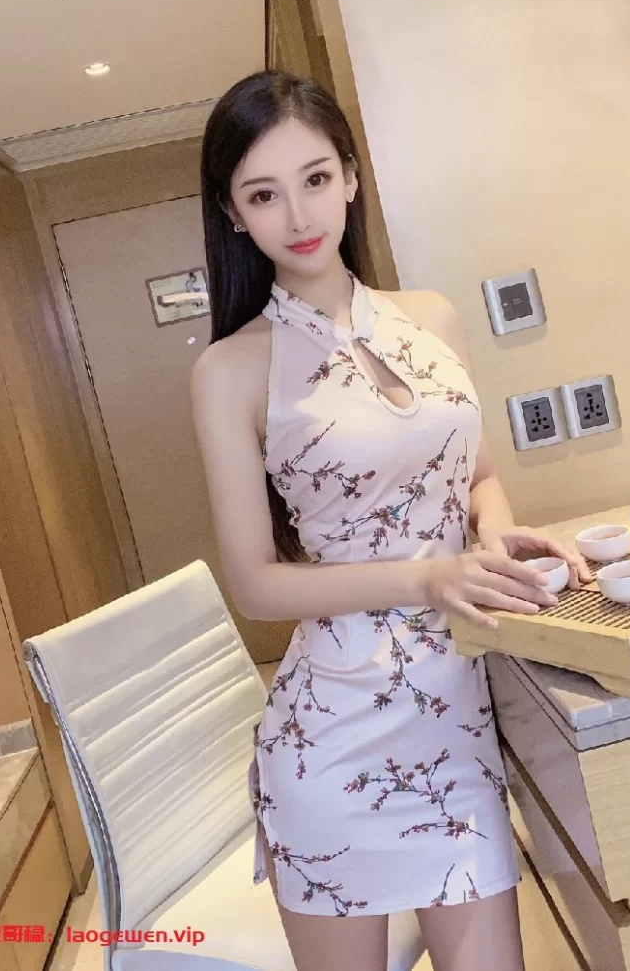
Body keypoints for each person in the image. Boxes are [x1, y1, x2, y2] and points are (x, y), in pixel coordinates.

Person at [190, 70, 591, 971]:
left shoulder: (431, 319)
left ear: (350, 175)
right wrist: (426, 576)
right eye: (264, 193)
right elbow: (254, 583)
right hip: (333, 738)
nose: (299, 213)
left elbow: (480, 475)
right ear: (233, 213)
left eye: (315, 178)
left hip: (455, 718)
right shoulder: (231, 371)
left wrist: (492, 536)